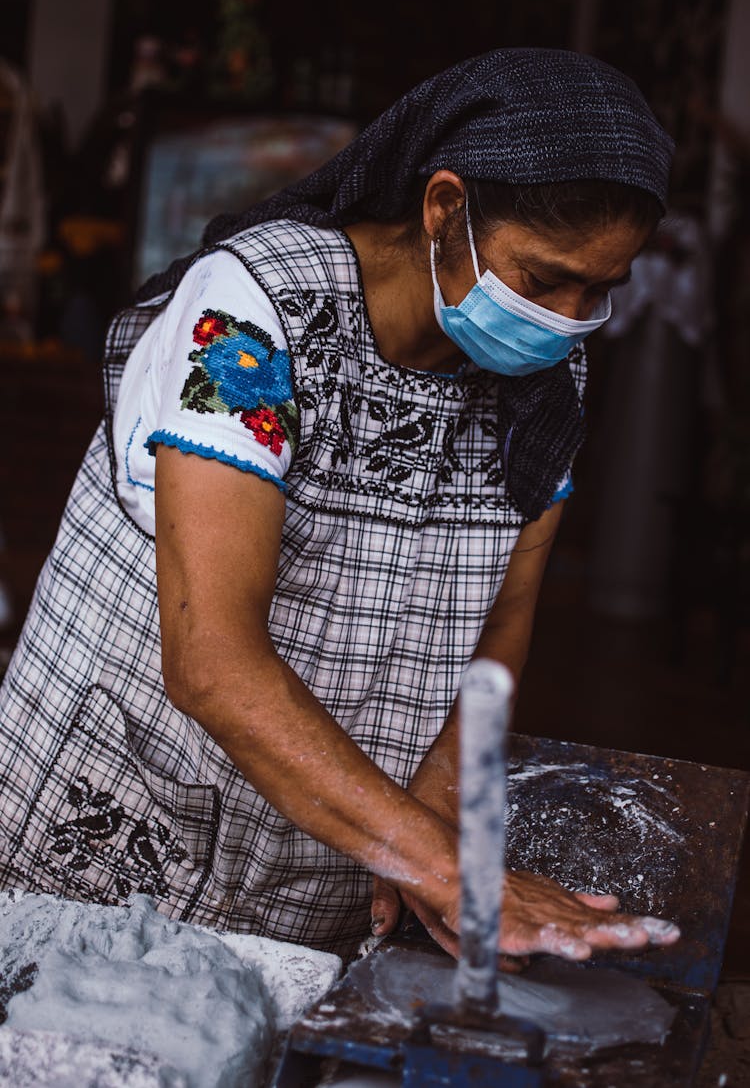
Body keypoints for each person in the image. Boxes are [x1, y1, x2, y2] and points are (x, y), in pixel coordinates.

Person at [0, 48, 680, 963]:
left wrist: (435, 811)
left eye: (601, 288)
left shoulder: (548, 373)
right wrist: (447, 865)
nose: (567, 315)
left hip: (331, 849)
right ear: (446, 211)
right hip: (115, 827)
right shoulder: (252, 314)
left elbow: (500, 632)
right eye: (544, 279)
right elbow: (212, 662)